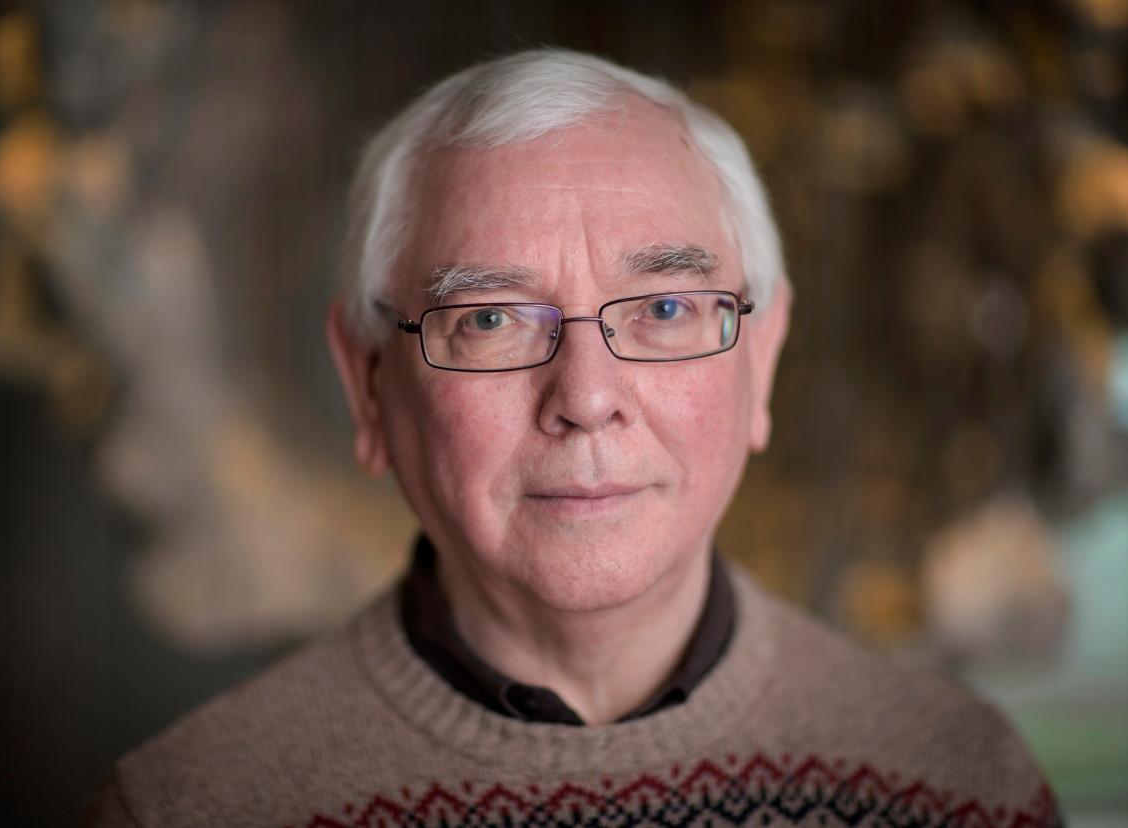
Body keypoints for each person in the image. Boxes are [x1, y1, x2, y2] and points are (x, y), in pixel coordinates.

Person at [91, 49, 1060, 827]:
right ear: (370, 385)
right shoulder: (191, 805)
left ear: (760, 361)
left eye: (668, 307)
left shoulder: (959, 787)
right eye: (491, 320)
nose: (587, 397)